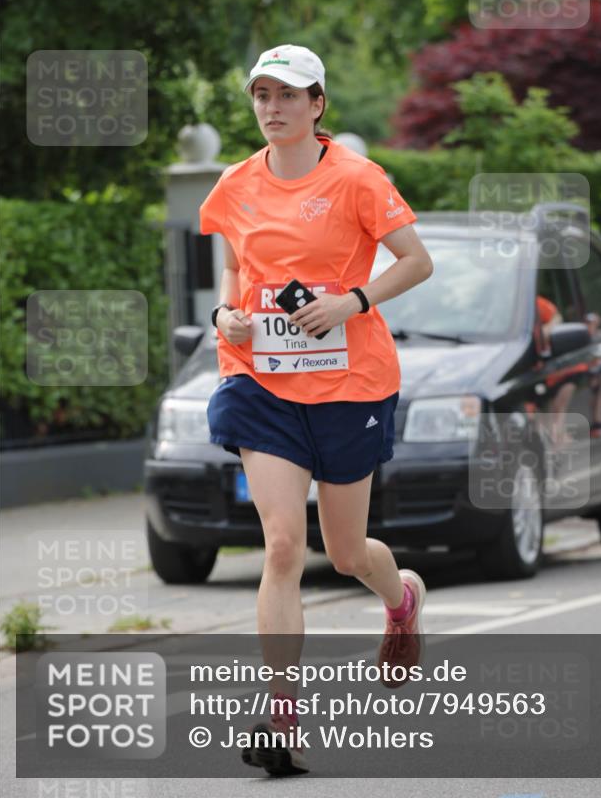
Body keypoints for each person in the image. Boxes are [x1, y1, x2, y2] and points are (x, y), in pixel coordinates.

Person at [199, 44, 434, 776]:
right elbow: (235, 269)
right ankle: (284, 721)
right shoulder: (235, 184)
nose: (273, 107)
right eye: (261, 94)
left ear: (318, 104)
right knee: (278, 547)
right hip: (260, 381)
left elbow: (415, 260)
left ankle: (400, 602)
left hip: (349, 384)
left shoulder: (358, 179)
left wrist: (351, 301)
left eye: (289, 95)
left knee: (344, 553)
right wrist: (225, 317)